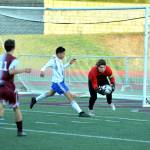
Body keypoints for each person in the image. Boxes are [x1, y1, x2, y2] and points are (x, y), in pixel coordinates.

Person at [30, 46, 89, 117]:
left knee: (50, 93)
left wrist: (69, 63)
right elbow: (45, 66)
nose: (64, 55)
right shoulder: (53, 60)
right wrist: (42, 71)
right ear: (58, 54)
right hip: (58, 83)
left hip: (59, 82)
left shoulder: (60, 61)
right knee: (70, 96)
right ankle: (80, 112)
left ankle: (35, 99)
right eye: (63, 53)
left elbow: (62, 68)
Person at [0, 39, 32, 136]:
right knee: (16, 108)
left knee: (1, 105)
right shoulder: (14, 59)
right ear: (14, 47)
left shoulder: (0, 57)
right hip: (8, 87)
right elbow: (10, 71)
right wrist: (24, 70)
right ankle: (20, 131)